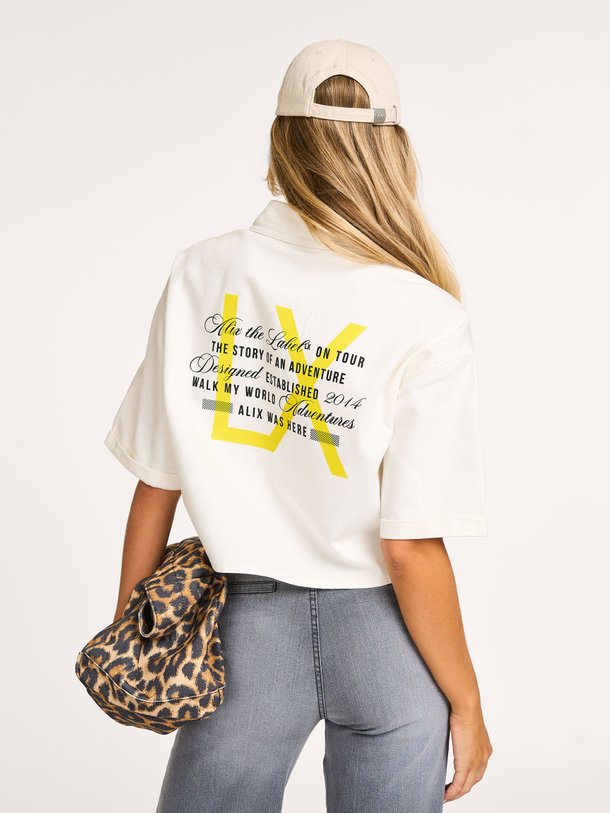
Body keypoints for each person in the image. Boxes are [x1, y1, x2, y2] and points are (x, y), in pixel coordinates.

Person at [105, 38, 492, 813]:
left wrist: (132, 629)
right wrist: (468, 700)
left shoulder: (202, 271)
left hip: (242, 638)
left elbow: (156, 481)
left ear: (281, 141)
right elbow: (409, 547)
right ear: (393, 151)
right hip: (385, 641)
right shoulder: (427, 314)